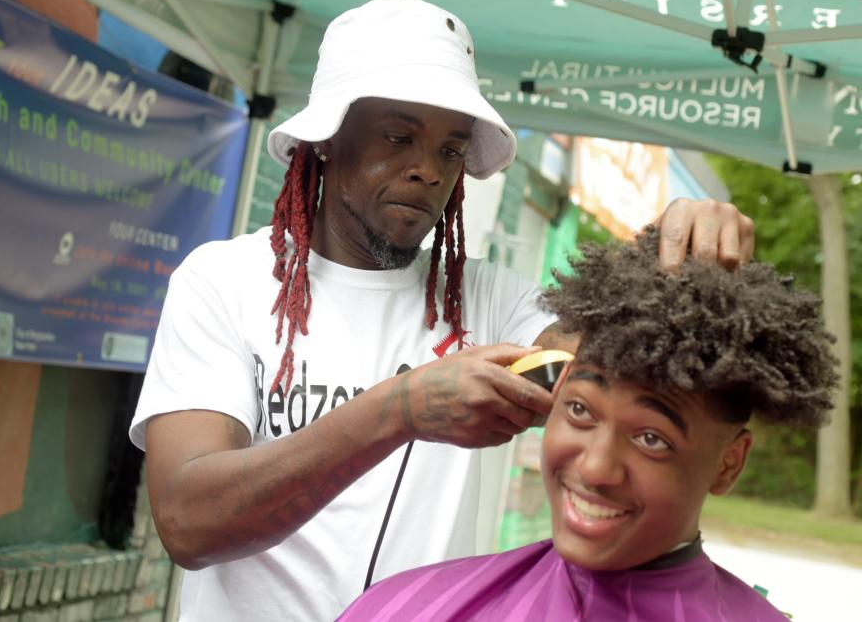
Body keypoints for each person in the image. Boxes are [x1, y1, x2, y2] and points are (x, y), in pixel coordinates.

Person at [133, 0, 756, 622]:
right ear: (326, 141)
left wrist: (669, 260)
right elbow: (189, 524)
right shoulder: (224, 282)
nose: (428, 171)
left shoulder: (495, 303)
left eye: (451, 150)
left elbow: (600, 371)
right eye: (398, 137)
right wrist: (399, 409)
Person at [337, 226, 837, 621]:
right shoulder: (407, 607)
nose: (596, 469)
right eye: (579, 409)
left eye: (650, 438)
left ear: (729, 464)